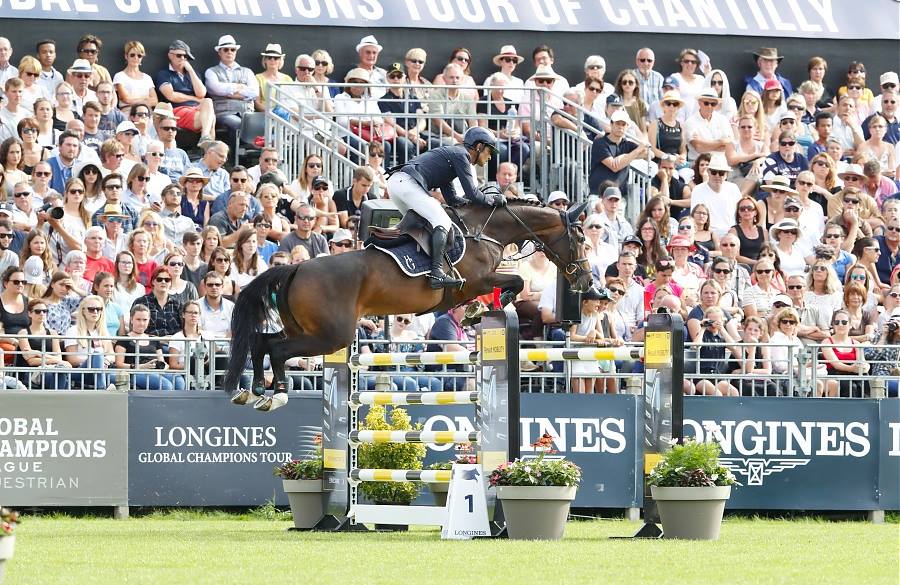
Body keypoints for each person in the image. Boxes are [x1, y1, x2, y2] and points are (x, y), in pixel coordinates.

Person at [386, 126, 505, 289]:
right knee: (442, 220)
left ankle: (414, 265)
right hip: (406, 183)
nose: (490, 157)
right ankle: (436, 274)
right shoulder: (461, 155)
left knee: (421, 226)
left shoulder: (452, 157)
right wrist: (493, 199)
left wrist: (472, 205)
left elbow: (453, 200)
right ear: (478, 147)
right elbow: (472, 193)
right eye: (489, 151)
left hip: (397, 184)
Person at [155, 40, 216, 146]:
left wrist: (191, 71)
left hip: (197, 110)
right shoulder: (164, 74)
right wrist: (194, 99)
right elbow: (171, 96)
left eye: (185, 56)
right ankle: (208, 148)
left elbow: (201, 93)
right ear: (170, 55)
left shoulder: (192, 74)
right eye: (179, 55)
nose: (182, 58)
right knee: (211, 119)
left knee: (208, 102)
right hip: (178, 110)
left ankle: (205, 138)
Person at [115, 303, 184, 391]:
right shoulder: (124, 339)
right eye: (138, 319)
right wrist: (141, 366)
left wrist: (163, 366)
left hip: (156, 371)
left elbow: (161, 361)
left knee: (179, 381)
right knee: (166, 385)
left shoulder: (153, 339)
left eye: (145, 320)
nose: (142, 323)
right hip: (136, 372)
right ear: (131, 320)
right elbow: (119, 364)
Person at [569, 287, 621, 394]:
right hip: (576, 357)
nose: (598, 303)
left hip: (591, 357)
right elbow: (572, 336)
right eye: (595, 300)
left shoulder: (595, 315)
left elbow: (600, 336)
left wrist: (594, 332)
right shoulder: (576, 314)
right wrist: (588, 338)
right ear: (585, 302)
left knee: (590, 395)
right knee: (579, 394)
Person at [63, 294, 115, 390]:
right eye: (91, 309)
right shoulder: (73, 330)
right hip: (81, 371)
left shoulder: (103, 331)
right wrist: (95, 361)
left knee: (130, 377)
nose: (95, 312)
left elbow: (111, 354)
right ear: (83, 311)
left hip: (103, 370)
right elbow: (72, 359)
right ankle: (102, 389)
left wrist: (105, 361)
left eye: (99, 309)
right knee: (97, 354)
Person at [588, 110, 647, 194]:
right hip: (599, 195)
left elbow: (649, 154)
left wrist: (624, 156)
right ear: (611, 124)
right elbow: (614, 166)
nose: (620, 127)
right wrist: (636, 152)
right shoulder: (599, 142)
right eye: (617, 123)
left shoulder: (628, 144)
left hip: (619, 196)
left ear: (627, 126)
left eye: (623, 124)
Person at [17, 298, 69, 390]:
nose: (42, 314)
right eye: (37, 311)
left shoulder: (53, 333)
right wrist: (56, 360)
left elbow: (59, 357)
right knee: (60, 373)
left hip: (53, 368)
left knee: (60, 372)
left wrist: (39, 354)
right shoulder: (23, 333)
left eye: (45, 311)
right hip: (32, 373)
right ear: (30, 314)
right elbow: (31, 361)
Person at [690, 154, 741, 238]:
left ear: (726, 174)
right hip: (707, 234)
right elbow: (695, 217)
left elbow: (739, 214)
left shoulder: (734, 188)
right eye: (714, 172)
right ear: (708, 172)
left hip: (731, 234)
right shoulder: (698, 190)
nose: (717, 176)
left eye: (721, 173)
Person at [822, 308, 868, 398]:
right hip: (836, 374)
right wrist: (852, 368)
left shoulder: (856, 343)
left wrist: (865, 366)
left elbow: (862, 361)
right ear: (833, 325)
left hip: (854, 373)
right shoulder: (827, 342)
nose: (840, 325)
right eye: (837, 322)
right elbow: (836, 365)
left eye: (844, 322)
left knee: (864, 383)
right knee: (850, 387)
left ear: (850, 325)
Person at [684, 88, 732, 161]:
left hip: (720, 162)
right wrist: (721, 142)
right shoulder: (690, 122)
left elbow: (729, 145)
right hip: (698, 163)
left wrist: (702, 142)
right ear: (699, 102)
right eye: (706, 103)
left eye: (713, 104)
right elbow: (698, 148)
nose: (709, 106)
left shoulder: (723, 119)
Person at [254, 44, 291, 113]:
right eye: (269, 57)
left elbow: (292, 101)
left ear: (280, 60)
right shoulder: (258, 78)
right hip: (266, 116)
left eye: (276, 58)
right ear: (265, 60)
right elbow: (257, 103)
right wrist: (272, 113)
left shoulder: (287, 79)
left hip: (286, 116)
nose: (272, 60)